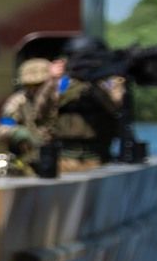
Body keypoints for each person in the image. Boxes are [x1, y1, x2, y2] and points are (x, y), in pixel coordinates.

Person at [54, 35, 131, 172]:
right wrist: (54, 77)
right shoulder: (64, 81)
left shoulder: (109, 80)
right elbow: (49, 103)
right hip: (64, 157)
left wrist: (96, 81)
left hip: (96, 157)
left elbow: (116, 104)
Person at [0, 57, 59, 171]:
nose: (34, 89)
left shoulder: (58, 99)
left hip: (58, 158)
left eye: (39, 85)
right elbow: (2, 128)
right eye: (29, 85)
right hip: (29, 161)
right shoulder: (18, 101)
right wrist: (19, 133)